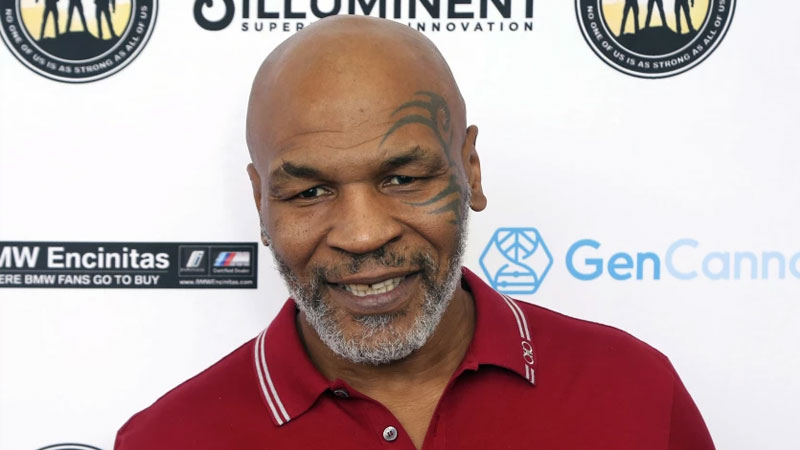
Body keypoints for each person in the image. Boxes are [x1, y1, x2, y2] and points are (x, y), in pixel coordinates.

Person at [115, 15, 715, 450]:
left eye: (402, 178)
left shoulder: (634, 391)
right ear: (261, 204)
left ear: (470, 171)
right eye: (310, 192)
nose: (363, 235)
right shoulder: (167, 439)